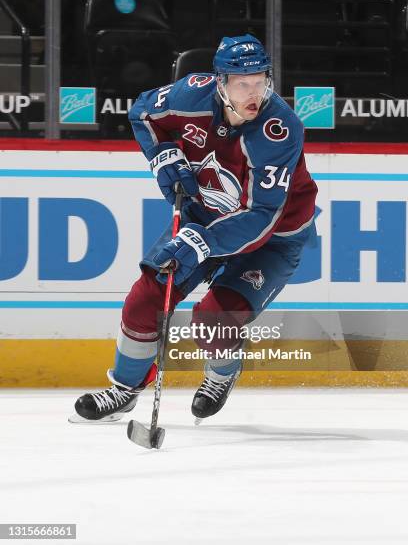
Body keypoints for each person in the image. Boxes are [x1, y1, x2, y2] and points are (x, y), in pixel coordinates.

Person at [72, 34, 318, 423]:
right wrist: (163, 155)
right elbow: (142, 113)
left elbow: (262, 217)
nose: (254, 93)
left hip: (272, 238)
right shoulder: (191, 94)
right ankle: (124, 389)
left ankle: (222, 373)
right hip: (204, 218)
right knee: (145, 299)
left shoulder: (279, 129)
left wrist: (201, 241)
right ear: (220, 82)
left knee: (213, 320)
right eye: (242, 84)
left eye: (260, 81)